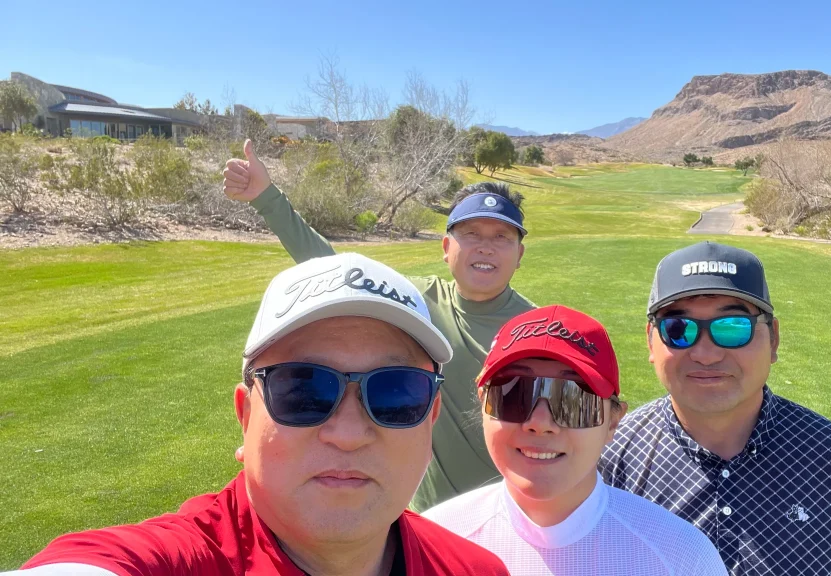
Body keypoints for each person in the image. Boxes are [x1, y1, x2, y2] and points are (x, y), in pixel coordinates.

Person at [8, 253, 510, 576]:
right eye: (303, 389)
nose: (348, 432)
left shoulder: (475, 569)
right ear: (246, 417)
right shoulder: (173, 560)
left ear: (429, 418)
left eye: (396, 393)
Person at [222, 142, 534, 510]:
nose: (486, 247)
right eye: (472, 234)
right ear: (446, 247)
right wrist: (265, 197)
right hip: (423, 518)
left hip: (511, 517)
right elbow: (334, 270)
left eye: (501, 237)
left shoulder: (537, 331)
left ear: (519, 255)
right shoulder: (418, 303)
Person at [600, 241, 831, 575]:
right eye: (678, 329)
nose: (706, 354)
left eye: (733, 327)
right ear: (651, 341)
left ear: (773, 339)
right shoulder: (605, 461)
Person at [423, 305, 728, 576]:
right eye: (513, 393)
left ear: (613, 422)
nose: (540, 423)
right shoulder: (429, 545)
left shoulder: (681, 556)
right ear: (483, 404)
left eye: (572, 400)